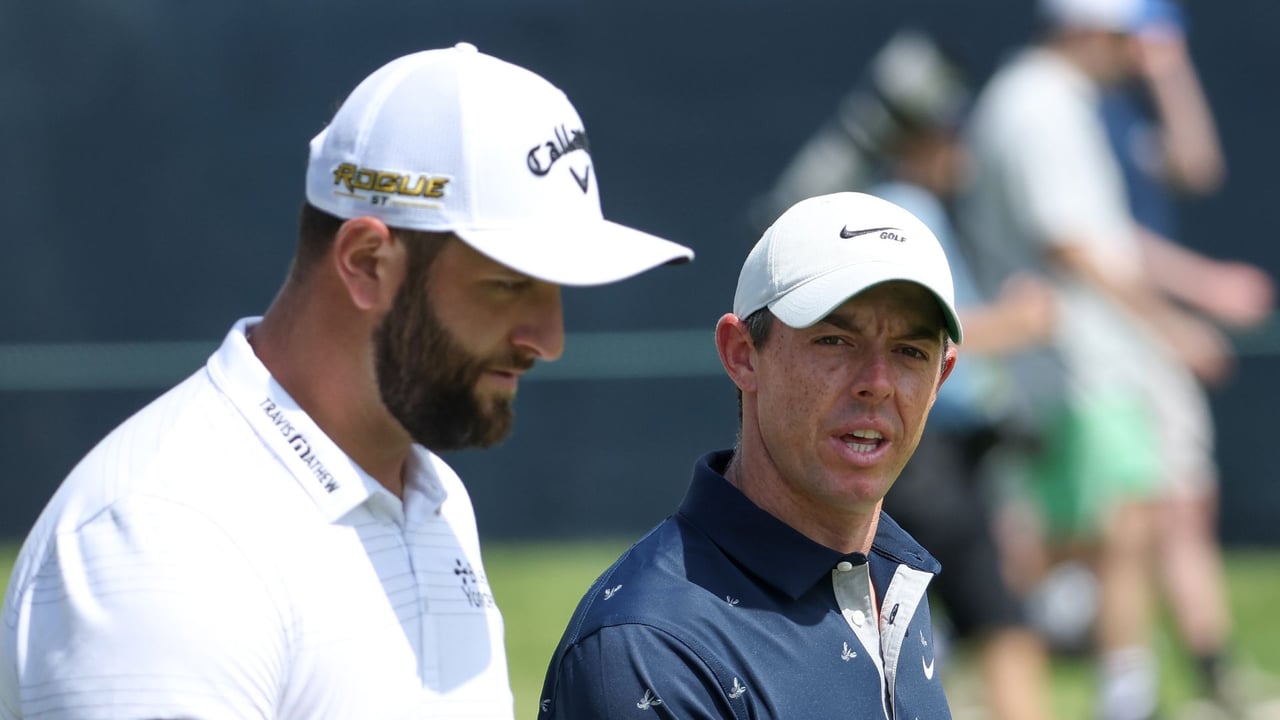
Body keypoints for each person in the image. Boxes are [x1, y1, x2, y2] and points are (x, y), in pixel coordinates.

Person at [0, 42, 693, 719]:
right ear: (365, 262)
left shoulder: (432, 495)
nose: (549, 339)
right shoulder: (162, 540)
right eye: (507, 285)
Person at [538, 191, 961, 719]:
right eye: (834, 341)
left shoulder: (891, 580)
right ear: (742, 355)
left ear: (940, 377)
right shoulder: (649, 650)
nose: (876, 383)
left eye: (909, 352)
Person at [751, 30, 1060, 720]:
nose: (964, 152)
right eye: (951, 135)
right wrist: (1023, 319)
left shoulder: (891, 210)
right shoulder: (905, 214)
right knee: (1003, 624)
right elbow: (934, 333)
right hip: (922, 462)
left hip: (923, 462)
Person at [958, 1, 1247, 718]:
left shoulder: (1061, 101)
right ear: (1086, 30)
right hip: (1070, 362)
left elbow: (1131, 212)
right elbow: (1073, 242)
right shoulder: (1038, 105)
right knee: (1092, 530)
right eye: (1126, 37)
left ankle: (1122, 695)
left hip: (1082, 358)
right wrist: (1174, 327)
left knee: (1116, 524)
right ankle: (941, 641)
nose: (1137, 53)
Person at [1101, 2, 1274, 713]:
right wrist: (1195, 303)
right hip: (1113, 341)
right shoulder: (1076, 113)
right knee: (1115, 522)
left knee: (1179, 506)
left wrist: (1170, 72)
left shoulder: (1123, 109)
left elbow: (1197, 164)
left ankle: (1207, 672)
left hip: (1145, 334)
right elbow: (1098, 241)